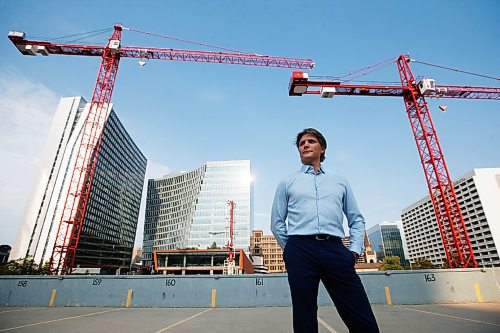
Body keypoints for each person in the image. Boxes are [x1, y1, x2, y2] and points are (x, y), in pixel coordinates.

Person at [271, 128, 379, 333]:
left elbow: (356, 219)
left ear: (322, 148)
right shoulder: (287, 181)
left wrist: (354, 251)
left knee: (358, 311)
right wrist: (291, 249)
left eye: (310, 141)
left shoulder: (340, 182)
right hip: (300, 249)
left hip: (335, 249)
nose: (305, 145)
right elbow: (277, 222)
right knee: (304, 313)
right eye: (301, 143)